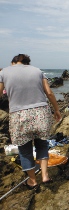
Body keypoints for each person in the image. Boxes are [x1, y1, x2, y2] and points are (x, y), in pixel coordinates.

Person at [0, 54, 61, 189]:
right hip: (41, 112)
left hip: (19, 115)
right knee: (42, 144)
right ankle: (45, 176)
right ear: (27, 63)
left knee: (25, 149)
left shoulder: (4, 72)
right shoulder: (38, 71)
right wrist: (57, 110)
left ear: (14, 61)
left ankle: (32, 181)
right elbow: (49, 92)